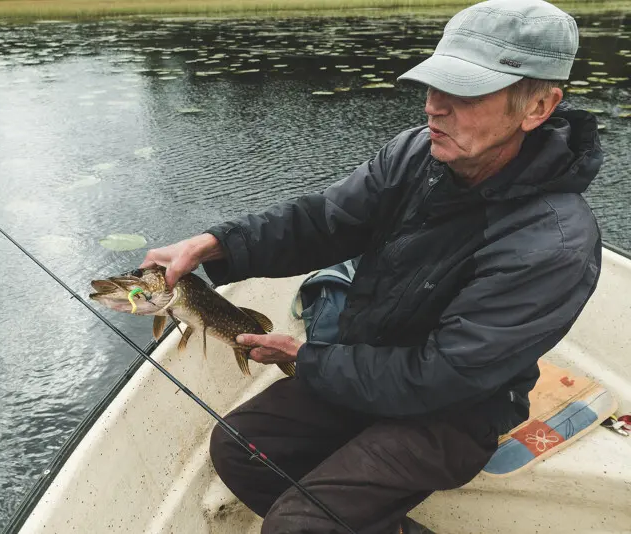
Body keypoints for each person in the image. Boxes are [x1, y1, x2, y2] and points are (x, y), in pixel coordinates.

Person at [140, 0, 603, 532]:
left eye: (465, 92)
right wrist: (213, 244)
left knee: (298, 525)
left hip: (454, 411)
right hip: (366, 365)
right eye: (434, 85)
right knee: (239, 447)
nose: (433, 107)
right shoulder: (417, 154)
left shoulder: (553, 242)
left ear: (539, 107)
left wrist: (309, 359)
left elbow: (442, 375)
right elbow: (325, 221)